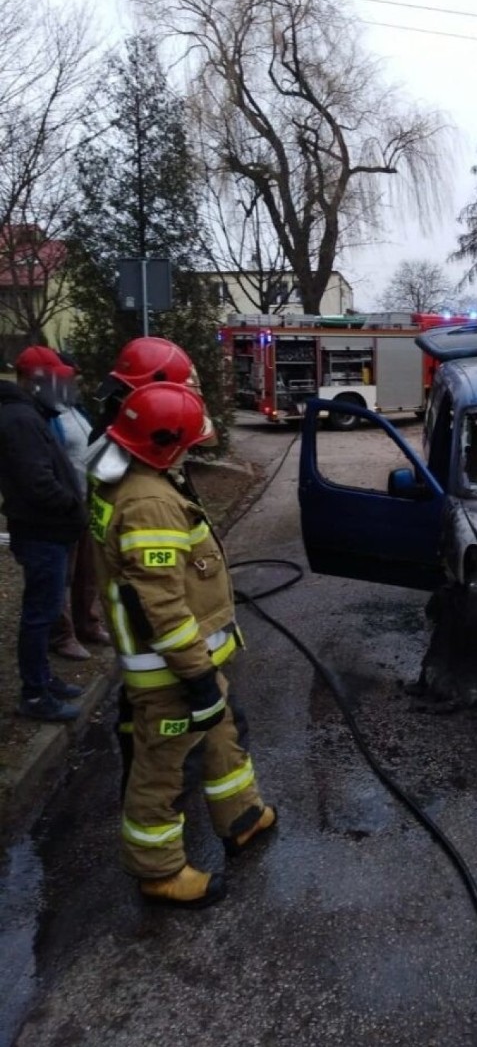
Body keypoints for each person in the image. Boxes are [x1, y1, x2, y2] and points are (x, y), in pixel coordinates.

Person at [88, 380, 275, 908]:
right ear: (165, 443)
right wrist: (195, 678)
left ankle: (242, 817)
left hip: (188, 659)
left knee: (221, 735)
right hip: (170, 668)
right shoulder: (149, 502)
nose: (192, 450)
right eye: (187, 444)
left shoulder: (134, 479)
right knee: (164, 767)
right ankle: (159, 871)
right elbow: (162, 607)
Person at [0, 346, 88, 721]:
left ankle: (43, 679)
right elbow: (38, 482)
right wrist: (71, 506)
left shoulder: (29, 413)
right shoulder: (19, 419)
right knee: (40, 615)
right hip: (42, 533)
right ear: (32, 381)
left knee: (47, 610)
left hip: (49, 531)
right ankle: (35, 695)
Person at [48, 354, 111, 660]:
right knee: (63, 574)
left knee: (89, 570)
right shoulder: (48, 415)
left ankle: (88, 623)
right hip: (63, 508)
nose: (78, 382)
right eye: (72, 377)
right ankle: (63, 635)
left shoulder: (76, 410)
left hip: (87, 502)